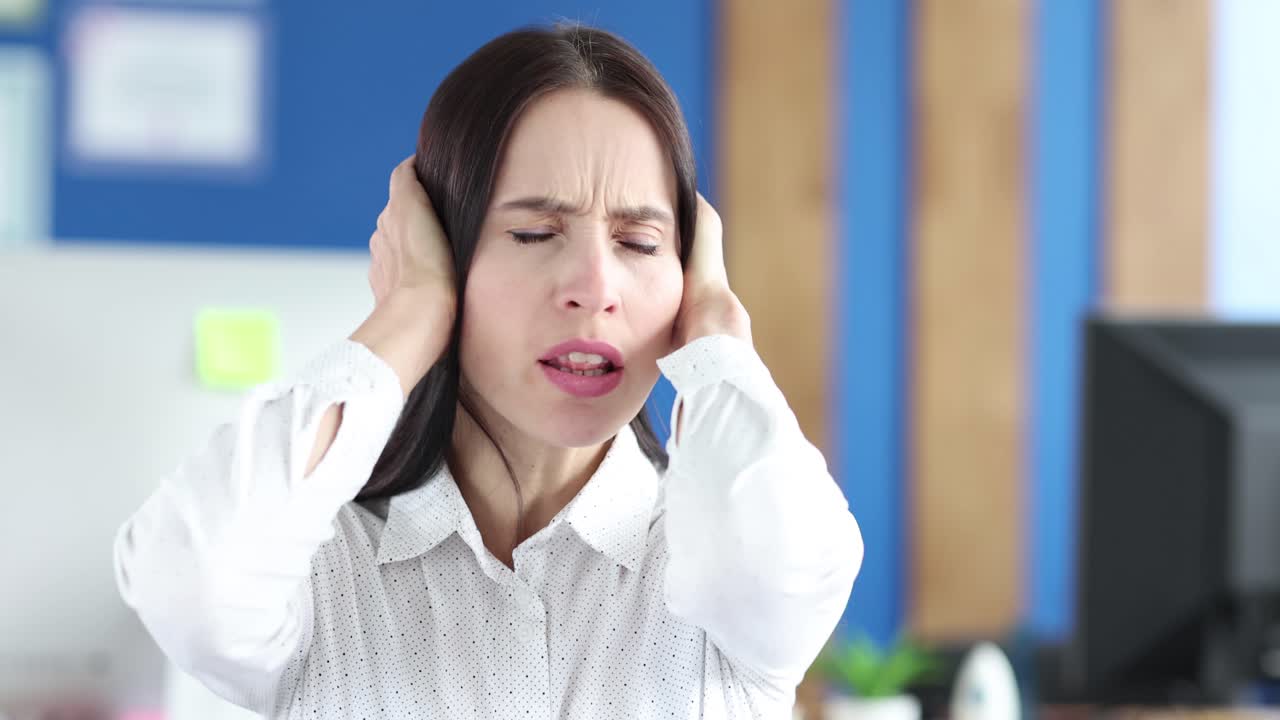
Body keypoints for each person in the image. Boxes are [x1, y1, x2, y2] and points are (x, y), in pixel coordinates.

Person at [114, 24, 862, 719]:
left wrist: (718, 334)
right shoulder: (321, 574)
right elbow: (186, 582)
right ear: (444, 252)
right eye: (534, 232)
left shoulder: (722, 577)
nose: (596, 287)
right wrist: (411, 313)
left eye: (640, 243)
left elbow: (791, 566)